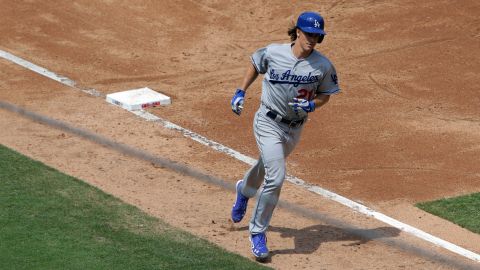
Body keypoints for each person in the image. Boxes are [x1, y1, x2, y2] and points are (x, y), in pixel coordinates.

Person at [229, 11, 340, 260]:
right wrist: (240, 91)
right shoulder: (274, 52)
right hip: (267, 122)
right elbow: (255, 64)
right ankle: (258, 232)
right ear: (298, 32)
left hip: (295, 128)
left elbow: (326, 94)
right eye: (309, 33)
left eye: (318, 36)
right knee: (277, 176)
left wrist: (314, 106)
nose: (313, 39)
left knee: (267, 167)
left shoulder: (322, 65)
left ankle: (244, 190)